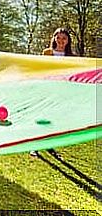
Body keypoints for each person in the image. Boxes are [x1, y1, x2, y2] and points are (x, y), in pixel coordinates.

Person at [30, 27, 74, 159]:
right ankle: (34, 146)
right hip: (45, 89)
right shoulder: (47, 53)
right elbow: (40, 70)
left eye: (64, 38)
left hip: (60, 92)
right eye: (58, 37)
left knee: (54, 119)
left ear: (68, 41)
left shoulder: (71, 57)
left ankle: (49, 144)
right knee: (41, 117)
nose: (61, 41)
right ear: (54, 38)